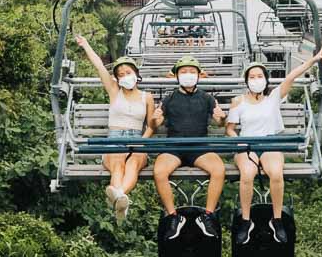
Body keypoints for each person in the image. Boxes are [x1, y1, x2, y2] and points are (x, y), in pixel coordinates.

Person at [226, 44, 322, 245]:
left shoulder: (273, 98)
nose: (256, 80)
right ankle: (246, 221)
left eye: (259, 76)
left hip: (270, 143)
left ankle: (277, 219)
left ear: (265, 79)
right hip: (247, 145)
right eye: (252, 77)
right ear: (246, 81)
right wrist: (238, 142)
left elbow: (292, 76)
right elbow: (230, 128)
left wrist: (314, 59)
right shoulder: (238, 102)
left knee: (276, 173)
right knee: (247, 174)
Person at [75, 35, 154, 223]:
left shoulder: (147, 97)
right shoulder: (114, 92)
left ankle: (118, 196)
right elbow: (100, 67)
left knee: (133, 163)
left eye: (128, 72)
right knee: (118, 164)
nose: (126, 76)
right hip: (114, 139)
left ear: (136, 73)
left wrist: (142, 141)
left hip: (137, 140)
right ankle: (121, 200)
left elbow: (151, 126)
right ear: (117, 79)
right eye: (121, 74)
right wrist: (86, 45)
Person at [149, 56, 227, 240]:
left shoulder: (207, 98)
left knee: (219, 169)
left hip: (199, 147)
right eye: (184, 72)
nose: (188, 75)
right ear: (176, 76)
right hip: (174, 147)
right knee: (159, 172)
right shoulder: (169, 98)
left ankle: (207, 215)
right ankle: (173, 216)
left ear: (199, 75)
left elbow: (220, 122)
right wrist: (154, 118)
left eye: (192, 72)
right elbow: (156, 123)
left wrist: (222, 117)